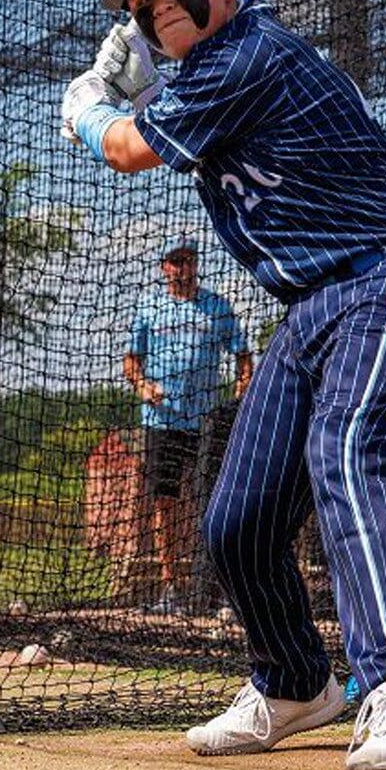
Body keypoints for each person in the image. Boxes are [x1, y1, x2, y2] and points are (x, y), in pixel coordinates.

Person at [60, 0, 386, 770]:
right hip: (313, 304)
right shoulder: (204, 71)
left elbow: (132, 150)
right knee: (238, 521)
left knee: (354, 451)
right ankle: (294, 682)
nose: (164, 8)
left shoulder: (250, 50)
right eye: (142, 6)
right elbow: (162, 119)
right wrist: (145, 87)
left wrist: (95, 107)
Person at [124, 235, 252, 613]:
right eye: (175, 261)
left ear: (196, 264)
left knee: (212, 501)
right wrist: (143, 385)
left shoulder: (216, 307)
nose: (182, 268)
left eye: (187, 260)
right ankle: (171, 590)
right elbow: (131, 362)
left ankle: (216, 588)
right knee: (166, 500)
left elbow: (243, 358)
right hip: (161, 420)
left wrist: (238, 399)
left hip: (206, 421)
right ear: (164, 266)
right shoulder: (149, 308)